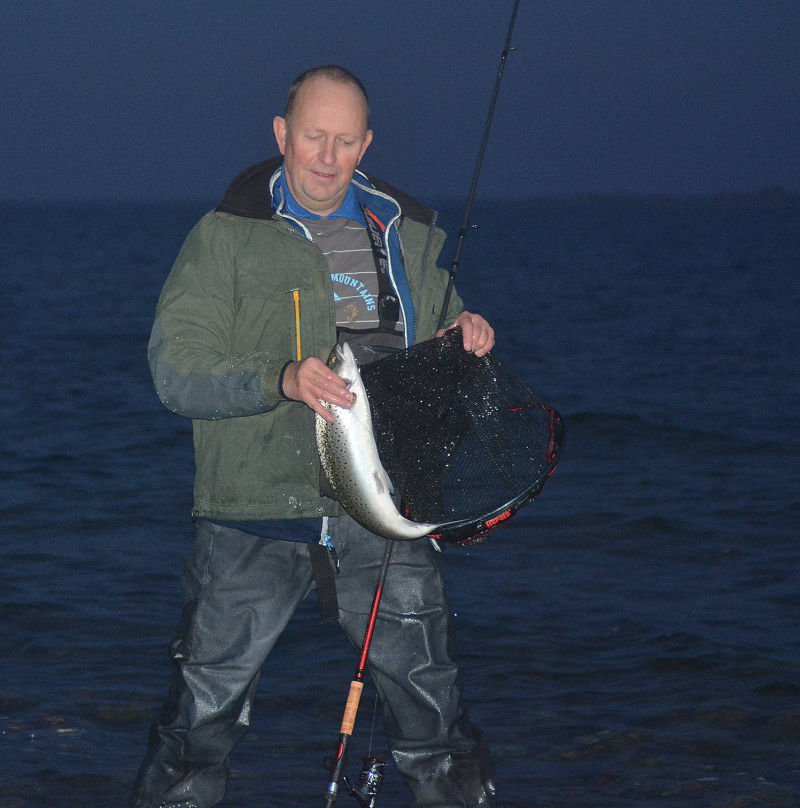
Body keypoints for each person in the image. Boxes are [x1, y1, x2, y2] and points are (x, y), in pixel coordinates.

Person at [131, 65, 497, 808]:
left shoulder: (405, 234)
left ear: (366, 144)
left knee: (434, 720)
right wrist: (282, 378)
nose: (327, 157)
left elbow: (437, 344)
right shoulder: (225, 237)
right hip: (254, 514)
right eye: (312, 136)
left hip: (386, 513)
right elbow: (176, 372)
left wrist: (464, 333)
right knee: (201, 722)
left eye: (345, 141)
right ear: (281, 134)